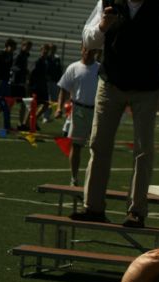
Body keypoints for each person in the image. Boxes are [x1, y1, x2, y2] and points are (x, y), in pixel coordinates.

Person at [70, 0, 159, 228]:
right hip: (110, 84)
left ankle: (137, 211)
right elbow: (88, 40)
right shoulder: (107, 3)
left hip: (146, 88)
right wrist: (103, 25)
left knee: (143, 149)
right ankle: (93, 207)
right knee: (99, 144)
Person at [55, 45, 101, 187]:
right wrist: (59, 108)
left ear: (96, 52)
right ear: (81, 50)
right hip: (78, 111)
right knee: (76, 145)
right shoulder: (73, 68)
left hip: (97, 112)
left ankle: (93, 180)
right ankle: (74, 178)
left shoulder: (101, 68)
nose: (87, 52)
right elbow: (63, 89)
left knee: (97, 147)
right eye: (85, 49)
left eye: (91, 50)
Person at [9, 40, 32, 131]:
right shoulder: (18, 55)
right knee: (10, 103)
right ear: (23, 46)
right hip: (15, 83)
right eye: (27, 46)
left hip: (21, 83)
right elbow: (13, 67)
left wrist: (25, 71)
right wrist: (22, 70)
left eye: (30, 47)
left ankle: (20, 123)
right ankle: (6, 122)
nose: (28, 49)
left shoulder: (25, 56)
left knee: (22, 104)